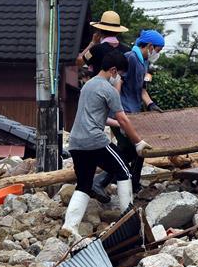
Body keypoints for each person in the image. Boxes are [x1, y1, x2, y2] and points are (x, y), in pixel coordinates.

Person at [62, 50, 151, 241]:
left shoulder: (88, 85)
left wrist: (120, 124)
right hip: (95, 141)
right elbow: (123, 119)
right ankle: (128, 218)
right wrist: (139, 142)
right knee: (124, 172)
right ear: (112, 70)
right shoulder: (109, 90)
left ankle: (69, 226)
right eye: (119, 74)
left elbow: (101, 118)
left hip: (77, 143)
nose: (119, 78)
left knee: (84, 184)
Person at [113, 29, 165, 192]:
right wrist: (117, 107)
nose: (157, 53)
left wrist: (151, 105)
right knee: (129, 150)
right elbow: (118, 82)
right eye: (158, 50)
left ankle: (132, 183)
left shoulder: (144, 62)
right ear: (150, 46)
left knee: (139, 149)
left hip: (133, 113)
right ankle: (103, 180)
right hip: (122, 113)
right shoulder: (130, 58)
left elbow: (142, 90)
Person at [76, 10, 129, 83]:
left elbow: (79, 62)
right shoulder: (127, 50)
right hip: (120, 92)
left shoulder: (96, 49)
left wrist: (92, 43)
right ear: (118, 32)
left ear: (100, 31)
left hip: (98, 89)